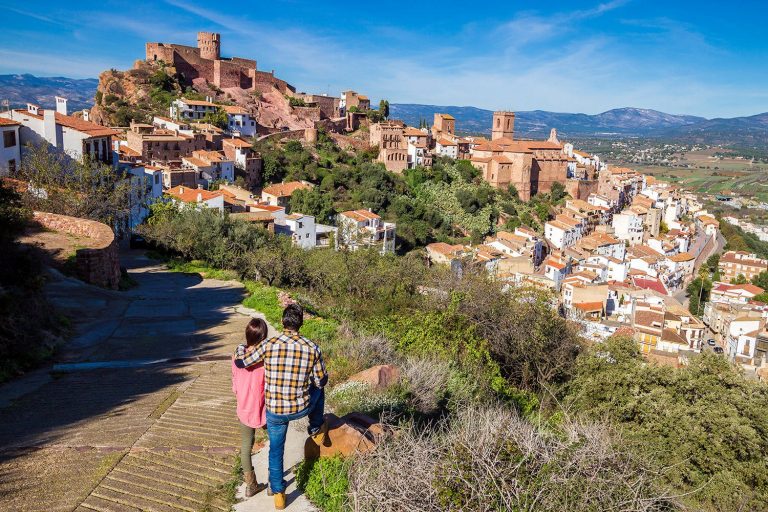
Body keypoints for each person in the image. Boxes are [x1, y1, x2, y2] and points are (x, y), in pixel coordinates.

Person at [234, 303, 328, 510]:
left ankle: (278, 493)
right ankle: (316, 427)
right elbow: (321, 382)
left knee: (276, 450)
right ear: (300, 323)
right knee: (319, 391)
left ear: (283, 322)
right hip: (300, 408)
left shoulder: (269, 345)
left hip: (275, 410)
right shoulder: (312, 348)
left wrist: (240, 348)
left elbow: (243, 363)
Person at [231, 318, 269, 497]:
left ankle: (251, 486)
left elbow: (234, 385)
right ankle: (275, 483)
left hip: (244, 408)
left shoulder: (237, 356)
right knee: (276, 443)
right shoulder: (265, 360)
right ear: (263, 338)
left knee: (245, 448)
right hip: (264, 409)